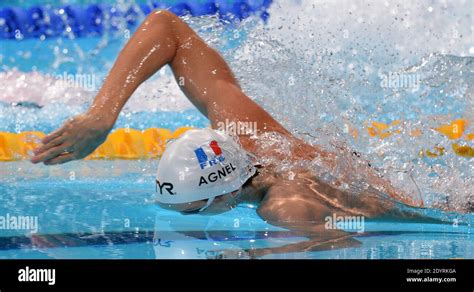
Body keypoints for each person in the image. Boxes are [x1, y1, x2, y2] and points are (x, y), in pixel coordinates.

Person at [32, 10, 434, 245]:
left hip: (442, 215)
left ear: (220, 200)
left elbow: (344, 244)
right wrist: (101, 116)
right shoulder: (246, 136)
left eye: (190, 213)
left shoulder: (284, 208)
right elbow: (166, 27)